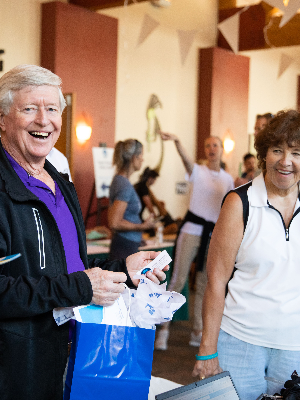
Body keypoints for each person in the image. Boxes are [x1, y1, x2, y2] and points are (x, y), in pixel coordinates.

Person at [0, 64, 167, 400]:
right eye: (29, 108)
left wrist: (123, 270)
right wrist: (80, 287)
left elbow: (71, 266)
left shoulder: (62, 185)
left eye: (51, 109)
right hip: (17, 369)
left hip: (74, 352)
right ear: (2, 119)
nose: (43, 120)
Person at [192, 109, 300, 399]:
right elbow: (215, 282)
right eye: (277, 150)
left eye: (296, 152)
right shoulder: (240, 203)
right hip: (239, 343)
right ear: (264, 154)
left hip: (294, 348)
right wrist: (206, 351)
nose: (286, 161)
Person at [154, 133, 234, 350]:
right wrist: (178, 141)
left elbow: (229, 209)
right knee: (179, 279)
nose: (211, 148)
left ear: (221, 149)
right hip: (191, 231)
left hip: (212, 234)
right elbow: (186, 160)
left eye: (215, 145)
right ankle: (164, 329)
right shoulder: (198, 171)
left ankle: (197, 330)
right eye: (207, 145)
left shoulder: (228, 179)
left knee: (204, 283)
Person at [108, 139, 155, 260]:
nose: (142, 159)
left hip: (126, 243)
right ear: (134, 157)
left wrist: (138, 236)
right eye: (141, 156)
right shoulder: (124, 185)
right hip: (124, 245)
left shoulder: (120, 180)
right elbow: (114, 222)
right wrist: (142, 227)